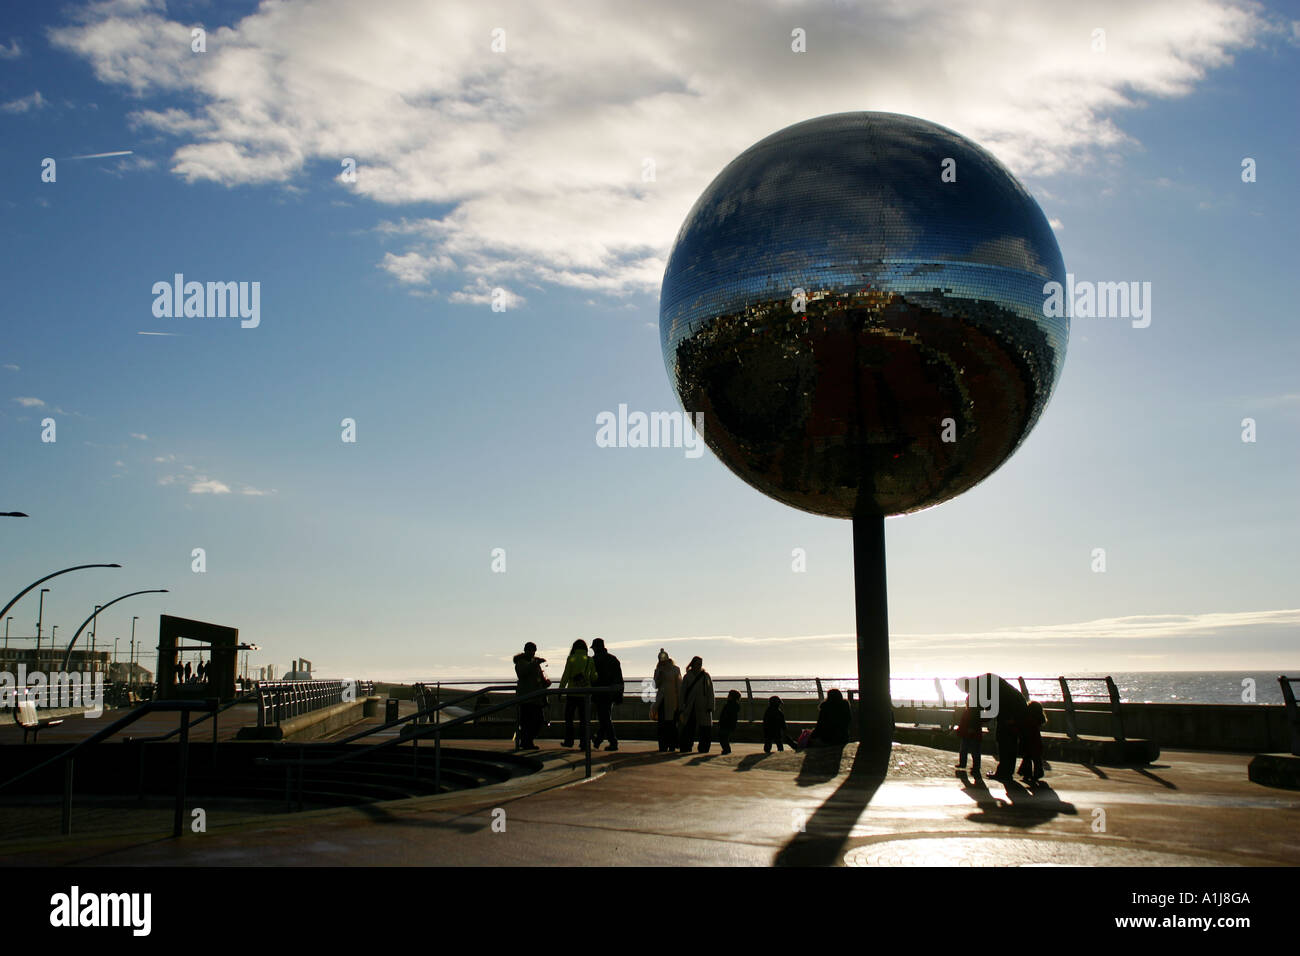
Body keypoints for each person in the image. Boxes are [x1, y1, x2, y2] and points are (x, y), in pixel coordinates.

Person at [558, 639, 597, 748]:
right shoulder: (590, 660)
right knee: (584, 720)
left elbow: (565, 676)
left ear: (574, 648)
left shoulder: (571, 659)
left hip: (572, 693)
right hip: (585, 694)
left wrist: (560, 691)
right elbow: (594, 677)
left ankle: (569, 741)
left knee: (569, 718)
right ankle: (584, 742)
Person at [589, 638, 624, 752]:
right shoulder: (613, 659)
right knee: (605, 717)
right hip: (610, 692)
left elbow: (592, 679)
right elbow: (619, 678)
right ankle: (599, 739)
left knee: (604, 718)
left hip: (600, 693)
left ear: (596, 648)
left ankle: (612, 742)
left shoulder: (594, 660)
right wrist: (619, 693)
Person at [513, 642, 548, 750]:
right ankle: (526, 742)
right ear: (525, 650)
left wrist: (545, 682)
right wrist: (535, 663)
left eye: (533, 650)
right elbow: (522, 673)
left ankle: (527, 740)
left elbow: (540, 678)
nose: (532, 653)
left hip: (536, 698)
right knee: (527, 723)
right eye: (530, 650)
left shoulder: (535, 663)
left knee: (539, 721)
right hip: (526, 698)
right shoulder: (520, 663)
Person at [678, 656, 714, 753]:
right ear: (692, 664)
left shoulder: (706, 676)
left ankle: (704, 748)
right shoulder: (687, 677)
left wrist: (710, 705)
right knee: (689, 727)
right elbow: (682, 693)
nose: (699, 666)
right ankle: (686, 746)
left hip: (703, 705)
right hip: (691, 705)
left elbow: (710, 691)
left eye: (700, 664)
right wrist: (681, 707)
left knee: (705, 728)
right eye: (697, 663)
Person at [652, 650, 682, 752]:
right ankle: (663, 745)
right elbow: (656, 685)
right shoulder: (658, 670)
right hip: (661, 700)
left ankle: (672, 745)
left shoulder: (675, 669)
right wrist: (659, 673)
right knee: (662, 725)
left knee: (671, 724)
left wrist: (680, 701)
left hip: (673, 700)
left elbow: (679, 685)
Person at [954, 677, 983, 775]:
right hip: (971, 725)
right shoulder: (975, 695)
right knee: (970, 748)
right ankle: (972, 766)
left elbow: (974, 714)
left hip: (971, 726)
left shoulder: (973, 697)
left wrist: (972, 727)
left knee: (970, 748)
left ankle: (971, 766)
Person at [1018, 700, 1047, 781]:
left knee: (1027, 758)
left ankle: (1027, 773)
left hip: (1027, 741)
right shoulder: (1038, 720)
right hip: (1036, 742)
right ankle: (1038, 773)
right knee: (1037, 759)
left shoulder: (1027, 719)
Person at [717, 689, 742, 754]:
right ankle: (726, 749)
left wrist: (721, 722)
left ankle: (726, 749)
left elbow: (726, 715)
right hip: (729, 724)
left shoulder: (729, 705)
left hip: (726, 724)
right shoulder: (734, 705)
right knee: (724, 737)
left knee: (723, 737)